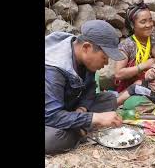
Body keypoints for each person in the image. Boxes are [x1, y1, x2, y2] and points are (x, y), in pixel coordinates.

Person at [45, 20, 124, 155]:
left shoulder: (85, 59)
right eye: (104, 58)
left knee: (109, 99)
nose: (106, 63)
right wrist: (95, 118)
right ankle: (80, 132)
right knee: (51, 140)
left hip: (70, 107)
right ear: (86, 47)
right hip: (50, 114)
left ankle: (77, 127)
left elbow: (90, 89)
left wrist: (83, 108)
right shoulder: (53, 68)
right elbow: (51, 115)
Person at [117, 37, 155, 105]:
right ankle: (118, 97)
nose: (154, 59)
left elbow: (148, 77)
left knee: (134, 88)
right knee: (139, 82)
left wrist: (148, 68)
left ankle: (116, 103)